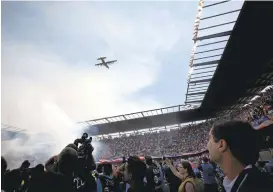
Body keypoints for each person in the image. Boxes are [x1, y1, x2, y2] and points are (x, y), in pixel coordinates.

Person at [207, 120, 273, 192]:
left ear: (221, 145)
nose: (207, 145)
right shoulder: (249, 181)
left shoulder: (258, 187)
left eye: (210, 138)